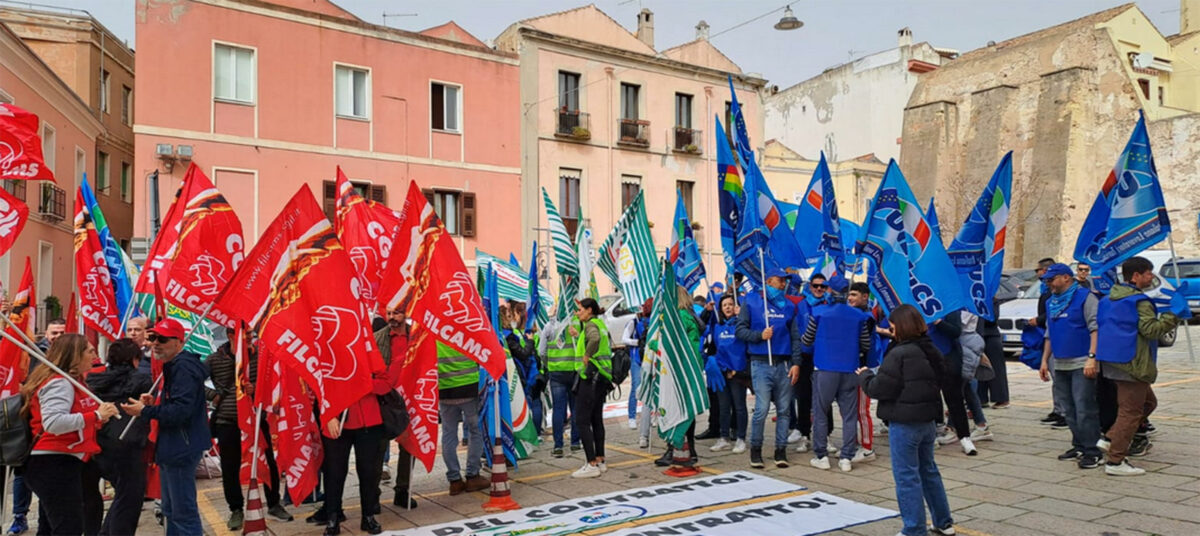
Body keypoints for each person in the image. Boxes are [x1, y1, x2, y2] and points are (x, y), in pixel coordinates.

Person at [857, 304, 955, 536]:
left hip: (904, 421)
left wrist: (865, 376)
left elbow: (881, 388)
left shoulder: (899, 353)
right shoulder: (932, 349)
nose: (890, 330)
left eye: (892, 326)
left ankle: (913, 528)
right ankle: (943, 522)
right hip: (927, 421)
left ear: (901, 326)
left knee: (906, 476)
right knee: (928, 470)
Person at [21, 334, 119, 536]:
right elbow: (54, 423)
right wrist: (95, 415)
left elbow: (75, 417)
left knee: (52, 526)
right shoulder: (60, 383)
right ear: (75, 356)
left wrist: (99, 418)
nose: (95, 355)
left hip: (62, 461)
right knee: (68, 527)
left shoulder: (73, 382)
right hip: (53, 462)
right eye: (90, 351)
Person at [121, 319, 212, 536]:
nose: (155, 343)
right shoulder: (176, 366)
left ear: (179, 342)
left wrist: (144, 410)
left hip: (180, 445)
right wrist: (155, 404)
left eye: (162, 339)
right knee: (172, 510)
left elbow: (180, 411)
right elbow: (178, 405)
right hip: (176, 445)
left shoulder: (182, 368)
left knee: (181, 512)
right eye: (152, 338)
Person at [1097, 256, 1186, 476]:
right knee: (1131, 411)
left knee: (1149, 402)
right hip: (1134, 362)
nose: (1151, 277)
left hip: (1112, 360)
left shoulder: (1109, 299)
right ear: (1136, 276)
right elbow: (1152, 331)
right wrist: (1173, 314)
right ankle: (1116, 461)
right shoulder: (1139, 301)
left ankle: (1110, 437)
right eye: (1148, 273)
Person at [206, 335, 290, 530]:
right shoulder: (214, 359)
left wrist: (257, 390)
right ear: (230, 334)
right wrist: (214, 396)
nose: (250, 337)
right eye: (246, 332)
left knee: (268, 462)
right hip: (228, 420)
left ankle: (274, 503)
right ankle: (236, 508)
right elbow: (193, 380)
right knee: (230, 466)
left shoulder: (260, 357)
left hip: (257, 418)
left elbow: (273, 382)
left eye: (252, 333)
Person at [801, 276, 871, 472]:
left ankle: (821, 455)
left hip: (825, 368)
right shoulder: (859, 316)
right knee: (849, 415)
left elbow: (806, 340)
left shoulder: (819, 312)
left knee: (821, 412)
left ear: (830, 291)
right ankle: (846, 457)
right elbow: (866, 344)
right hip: (850, 369)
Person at [736, 268, 804, 469]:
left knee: (784, 410)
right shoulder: (752, 301)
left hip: (783, 364)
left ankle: (780, 450)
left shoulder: (789, 306)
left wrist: (796, 363)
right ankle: (756, 450)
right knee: (762, 409)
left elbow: (795, 337)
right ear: (768, 281)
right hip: (760, 363)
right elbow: (740, 330)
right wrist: (759, 336)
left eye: (784, 281)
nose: (783, 284)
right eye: (780, 280)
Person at [316, 358, 392, 536]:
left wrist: (363, 384)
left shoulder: (367, 349)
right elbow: (319, 384)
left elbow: (386, 383)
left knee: (368, 472)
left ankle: (368, 516)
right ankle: (333, 517)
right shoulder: (329, 348)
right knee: (334, 473)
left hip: (368, 422)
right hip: (337, 421)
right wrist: (327, 415)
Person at [86, 338, 153, 536]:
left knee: (121, 497)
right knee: (129, 498)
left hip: (100, 443)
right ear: (134, 359)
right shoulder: (142, 381)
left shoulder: (93, 381)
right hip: (129, 445)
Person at [1038, 263, 1102, 469]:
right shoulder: (1051, 302)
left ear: (1066, 277)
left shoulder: (1085, 298)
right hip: (1060, 362)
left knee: (1084, 407)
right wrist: (1044, 361)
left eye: (1052, 279)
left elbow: (1095, 328)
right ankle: (1079, 444)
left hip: (1082, 361)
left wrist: (1092, 357)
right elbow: (1049, 333)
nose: (1049, 284)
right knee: (1068, 409)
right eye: (1046, 280)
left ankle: (1092, 450)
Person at [7, 318, 67, 535]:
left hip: (49, 436)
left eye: (62, 332)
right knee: (22, 474)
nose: (58, 337)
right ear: (46, 334)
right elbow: (24, 383)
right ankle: (19, 515)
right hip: (32, 427)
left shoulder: (67, 357)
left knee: (47, 495)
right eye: (54, 333)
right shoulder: (34, 354)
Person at [374, 308, 417, 509]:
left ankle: (403, 491)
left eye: (397, 313)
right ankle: (372, 494)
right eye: (389, 313)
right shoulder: (377, 339)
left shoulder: (416, 337)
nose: (392, 317)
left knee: (409, 447)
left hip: (409, 399)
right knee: (377, 449)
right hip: (384, 401)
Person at [436, 340, 489, 493]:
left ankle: (454, 480)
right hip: (469, 386)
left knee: (448, 433)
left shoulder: (433, 331)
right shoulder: (464, 327)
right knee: (475, 430)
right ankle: (473, 475)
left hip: (444, 388)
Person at [571, 298, 613, 478]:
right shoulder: (599, 323)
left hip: (590, 377)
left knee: (581, 419)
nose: (577, 312)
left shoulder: (590, 326)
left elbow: (593, 338)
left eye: (580, 309)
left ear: (589, 310)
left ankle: (591, 463)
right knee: (596, 419)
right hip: (602, 376)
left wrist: (587, 356)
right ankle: (600, 458)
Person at [929, 311, 977, 455]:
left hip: (948, 357)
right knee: (929, 397)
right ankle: (931, 435)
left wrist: (938, 321)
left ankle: (965, 437)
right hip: (926, 356)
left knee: (955, 398)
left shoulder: (949, 307)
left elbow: (955, 331)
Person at [788, 274, 828, 450]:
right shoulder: (801, 306)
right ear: (810, 287)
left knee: (823, 397)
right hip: (804, 356)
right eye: (816, 286)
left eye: (823, 286)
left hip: (824, 357)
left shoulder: (829, 305)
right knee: (803, 396)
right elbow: (795, 332)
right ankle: (804, 433)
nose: (819, 289)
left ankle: (826, 435)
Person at [1029, 258, 1068, 428]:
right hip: (1051, 341)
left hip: (1067, 346)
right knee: (1056, 379)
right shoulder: (1049, 295)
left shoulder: (1071, 297)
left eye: (1039, 270)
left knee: (1064, 381)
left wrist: (1038, 320)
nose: (1038, 274)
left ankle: (1065, 413)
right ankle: (1058, 410)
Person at [710, 294, 748, 454]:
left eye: (730, 304)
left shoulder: (741, 325)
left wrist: (737, 370)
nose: (727, 307)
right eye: (724, 304)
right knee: (723, 407)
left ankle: (741, 438)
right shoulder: (717, 326)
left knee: (739, 406)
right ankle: (724, 437)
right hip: (721, 373)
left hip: (737, 373)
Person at [542, 318, 581, 457]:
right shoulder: (575, 324)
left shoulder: (548, 327)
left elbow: (542, 352)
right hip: (573, 370)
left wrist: (549, 366)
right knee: (575, 407)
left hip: (556, 373)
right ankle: (575, 442)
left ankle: (558, 445)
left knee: (558, 409)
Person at [976, 297, 1010, 409]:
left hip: (991, 335)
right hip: (976, 335)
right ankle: (981, 398)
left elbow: (993, 318)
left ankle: (1001, 398)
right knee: (978, 367)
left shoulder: (991, 299)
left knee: (996, 367)